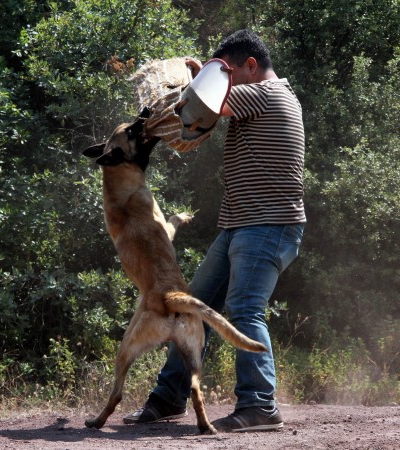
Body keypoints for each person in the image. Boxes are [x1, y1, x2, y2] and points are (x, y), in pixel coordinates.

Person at [123, 29, 306, 432]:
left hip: (268, 225)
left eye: (229, 70)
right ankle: (169, 399)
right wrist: (206, 72)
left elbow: (200, 102)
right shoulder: (254, 99)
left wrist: (198, 74)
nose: (224, 78)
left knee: (245, 310)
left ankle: (260, 405)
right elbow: (202, 114)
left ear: (251, 67)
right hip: (241, 226)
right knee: (189, 309)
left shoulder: (268, 93)